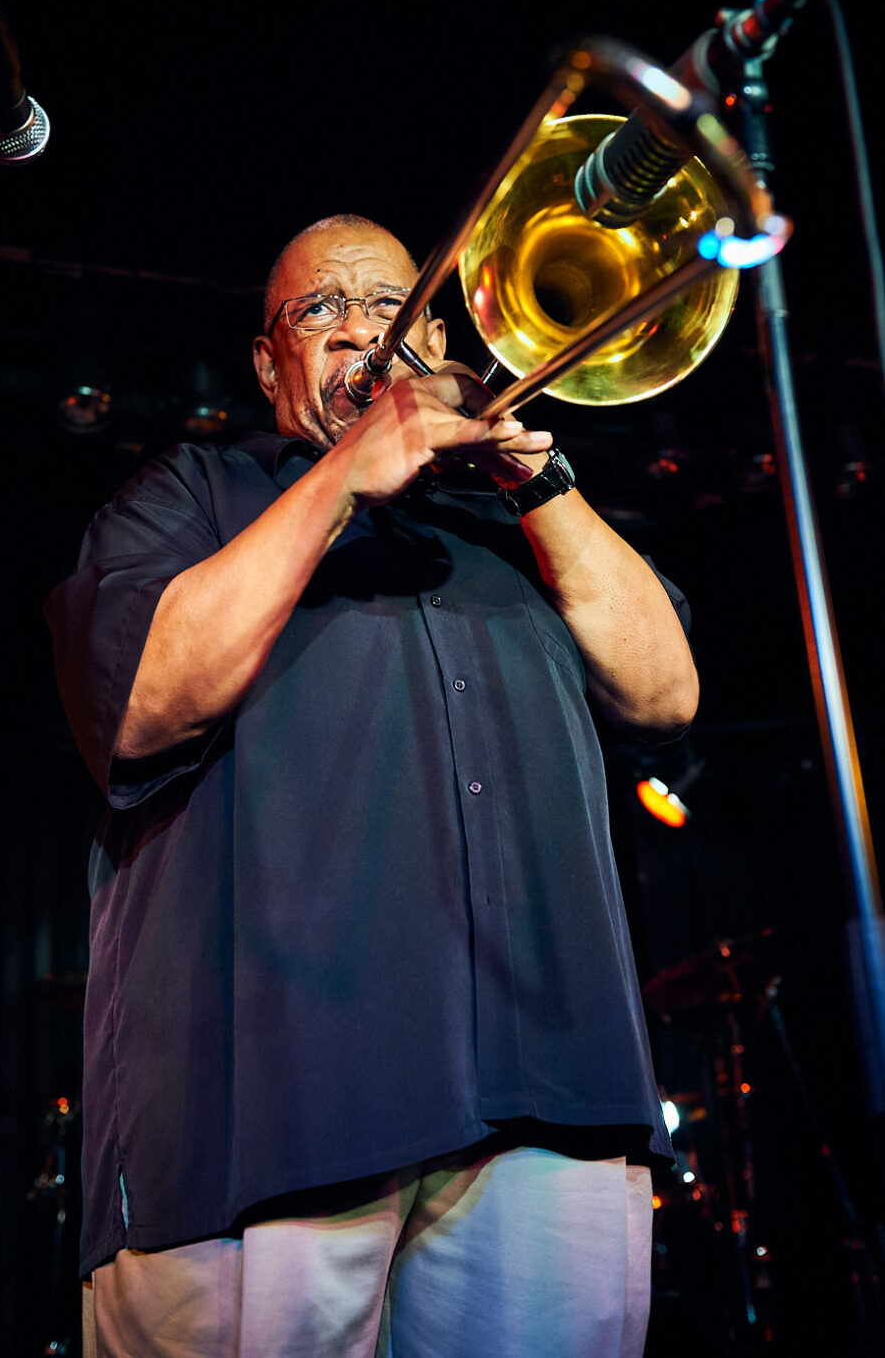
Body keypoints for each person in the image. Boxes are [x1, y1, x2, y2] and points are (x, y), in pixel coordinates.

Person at [45, 213, 699, 1358]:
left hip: (550, 1096)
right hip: (267, 1122)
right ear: (267, 362)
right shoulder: (192, 495)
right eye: (323, 310)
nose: (363, 332)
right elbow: (147, 693)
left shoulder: (517, 530)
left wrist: (538, 481)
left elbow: (666, 694)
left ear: (437, 334)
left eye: (390, 309)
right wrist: (349, 470)